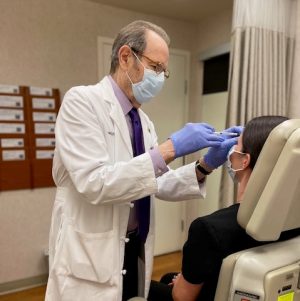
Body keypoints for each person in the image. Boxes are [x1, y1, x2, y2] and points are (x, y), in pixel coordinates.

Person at [45, 20, 241, 301]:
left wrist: (204, 166)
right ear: (126, 57)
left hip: (132, 246)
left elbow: (154, 182)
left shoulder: (143, 122)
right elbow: (95, 182)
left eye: (164, 71)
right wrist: (170, 148)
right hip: (89, 255)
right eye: (156, 67)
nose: (160, 77)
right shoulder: (82, 102)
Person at [149, 116, 300, 301]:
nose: (231, 149)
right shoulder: (291, 222)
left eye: (236, 143)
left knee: (142, 287)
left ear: (244, 161)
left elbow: (181, 296)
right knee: (167, 278)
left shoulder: (208, 229)